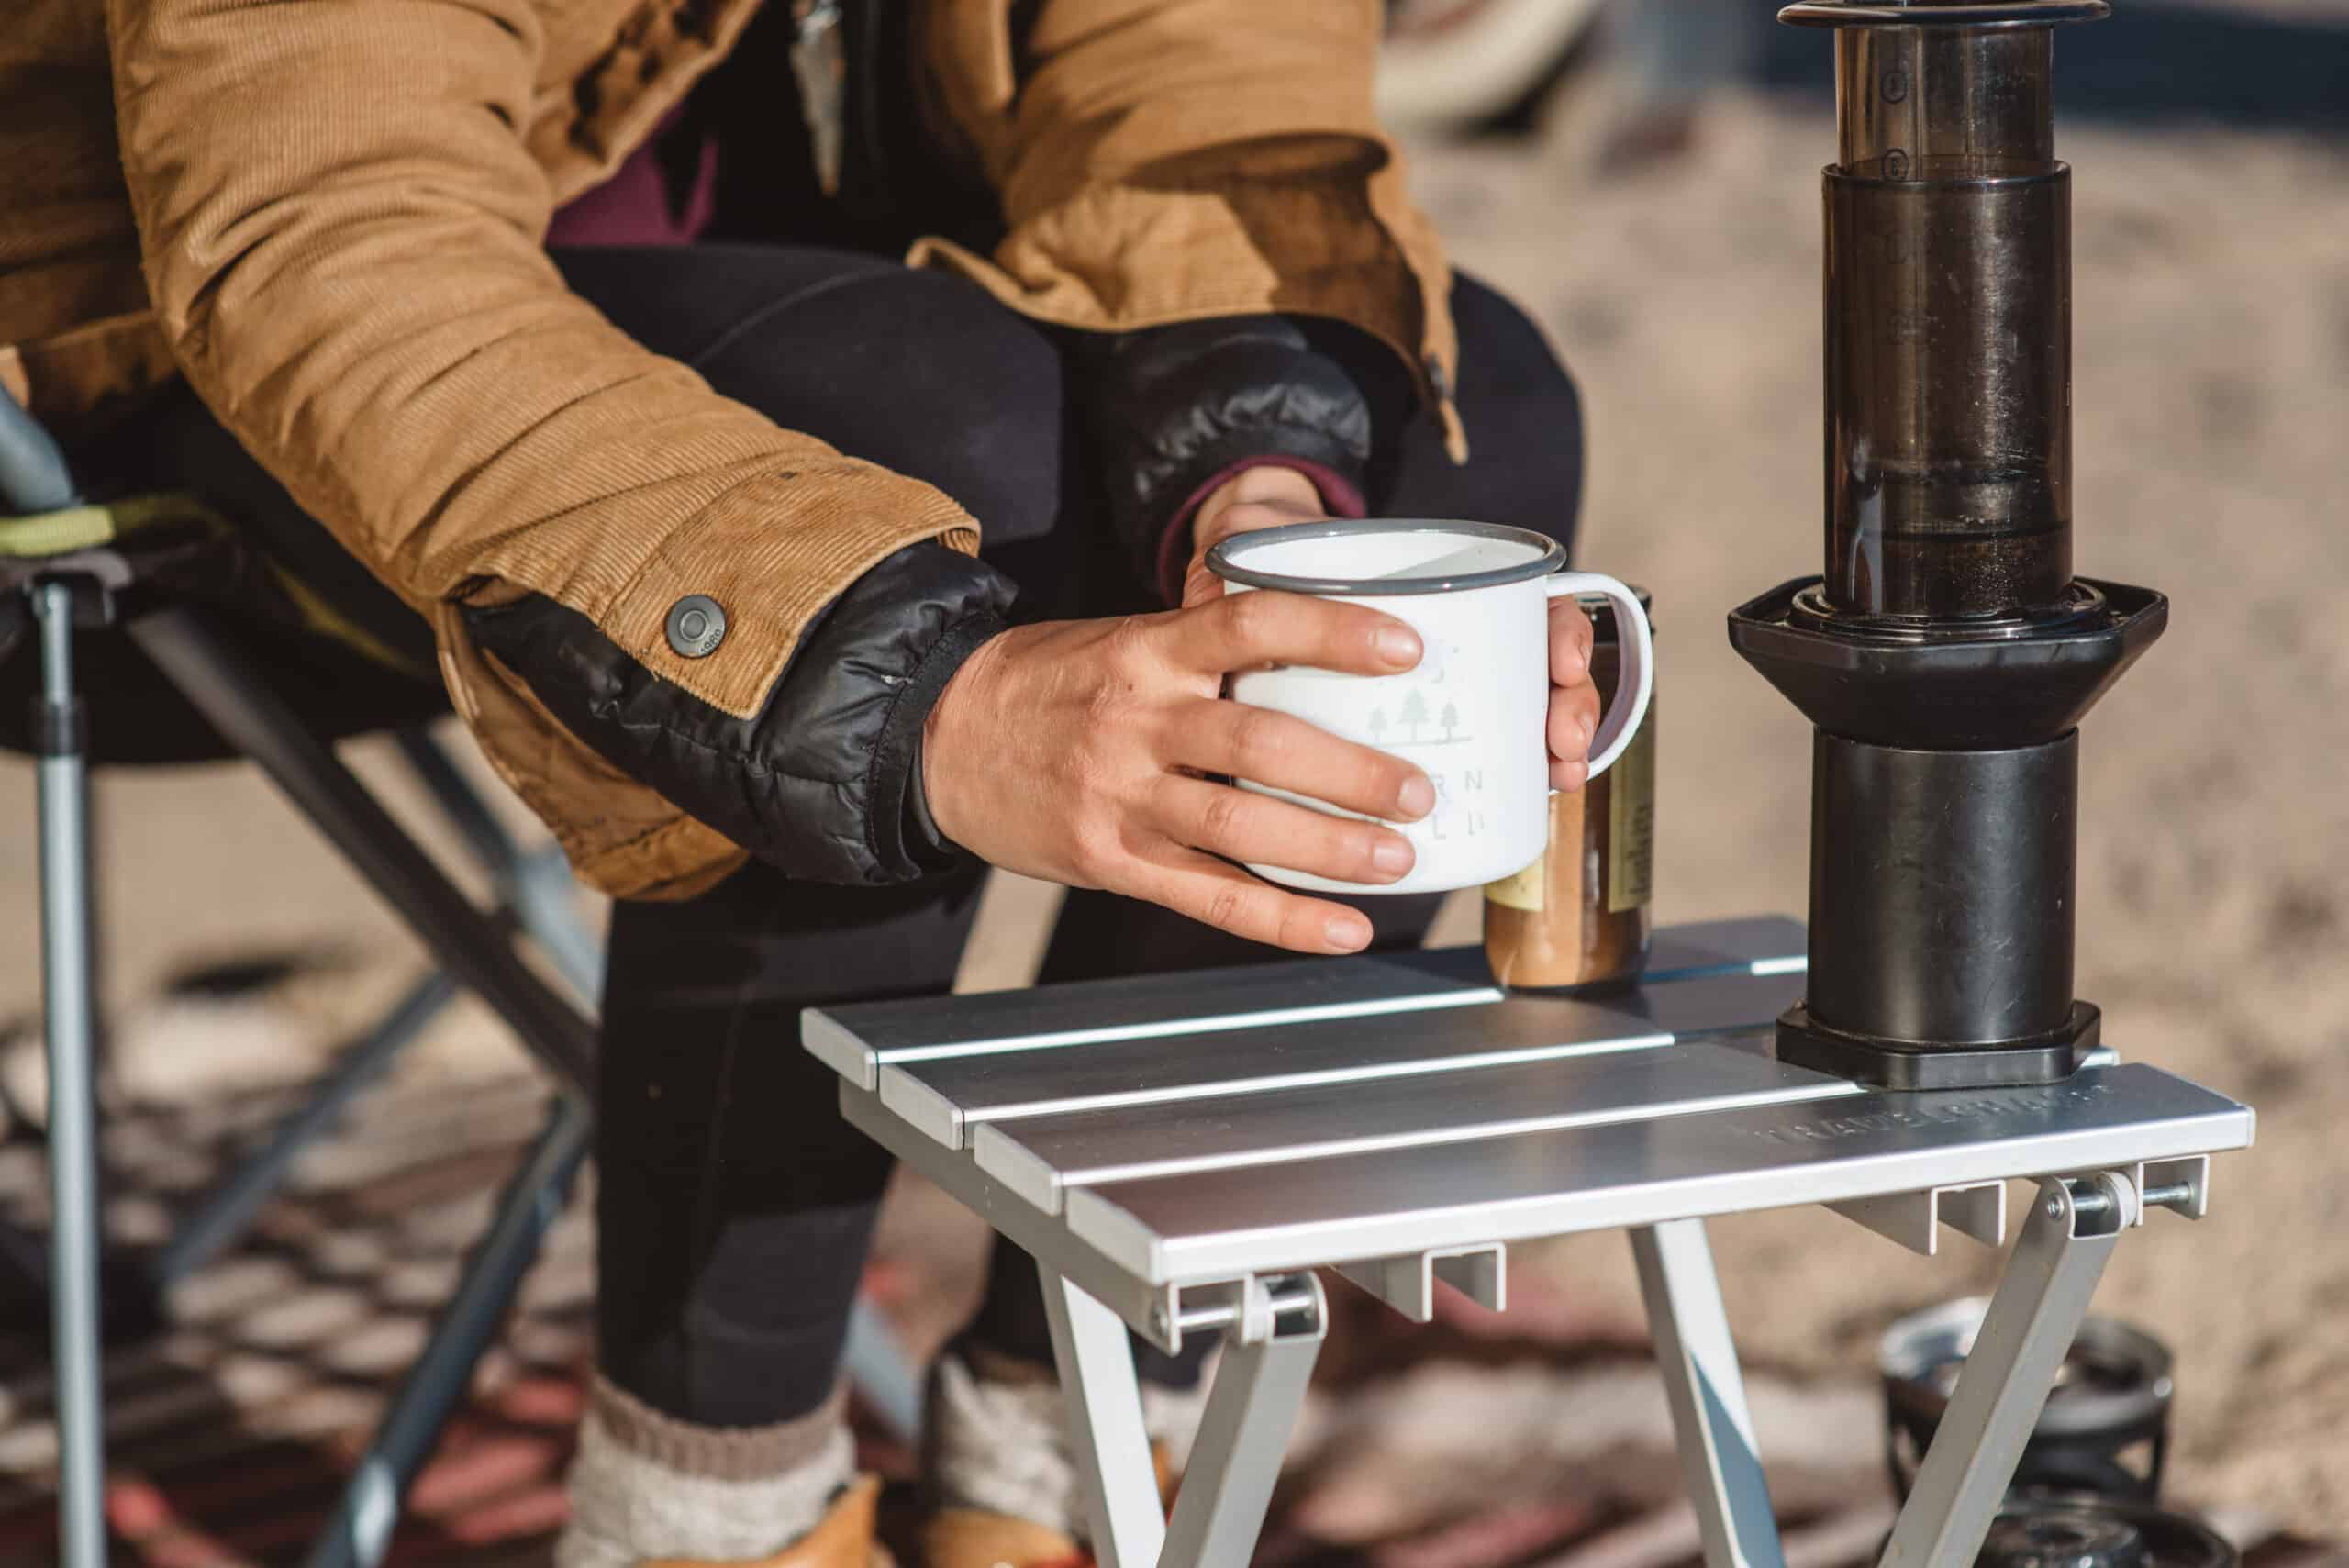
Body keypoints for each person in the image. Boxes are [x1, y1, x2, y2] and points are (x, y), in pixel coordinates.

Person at [2, 3, 1600, 1563]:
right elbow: (325, 228)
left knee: (1445, 431)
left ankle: (1073, 1452)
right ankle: (712, 1505)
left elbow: (1189, 54)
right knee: (920, 454)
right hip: (213, 377)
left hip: (833, 303)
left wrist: (1257, 479)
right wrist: (918, 704)